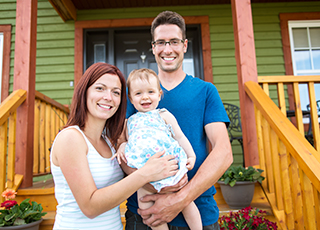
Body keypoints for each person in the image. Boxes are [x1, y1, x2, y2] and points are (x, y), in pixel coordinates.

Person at [124, 11, 233, 230]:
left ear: (184, 45)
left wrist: (180, 198)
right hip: (146, 214)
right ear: (153, 47)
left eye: (174, 42)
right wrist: (155, 185)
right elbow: (123, 149)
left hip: (198, 211)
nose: (167, 49)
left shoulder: (205, 91)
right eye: (161, 42)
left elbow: (224, 153)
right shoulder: (136, 96)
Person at [50, 62, 179, 230]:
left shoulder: (110, 142)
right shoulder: (71, 138)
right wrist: (145, 173)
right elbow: (90, 206)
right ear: (84, 91)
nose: (108, 97)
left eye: (116, 92)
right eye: (100, 88)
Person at [116, 68, 202, 230]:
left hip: (169, 169)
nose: (145, 97)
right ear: (131, 98)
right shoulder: (129, 122)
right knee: (147, 209)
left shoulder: (163, 115)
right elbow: (129, 142)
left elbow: (180, 137)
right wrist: (122, 145)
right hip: (145, 175)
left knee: (186, 203)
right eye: (138, 93)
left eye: (150, 92)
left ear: (159, 94)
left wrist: (191, 156)